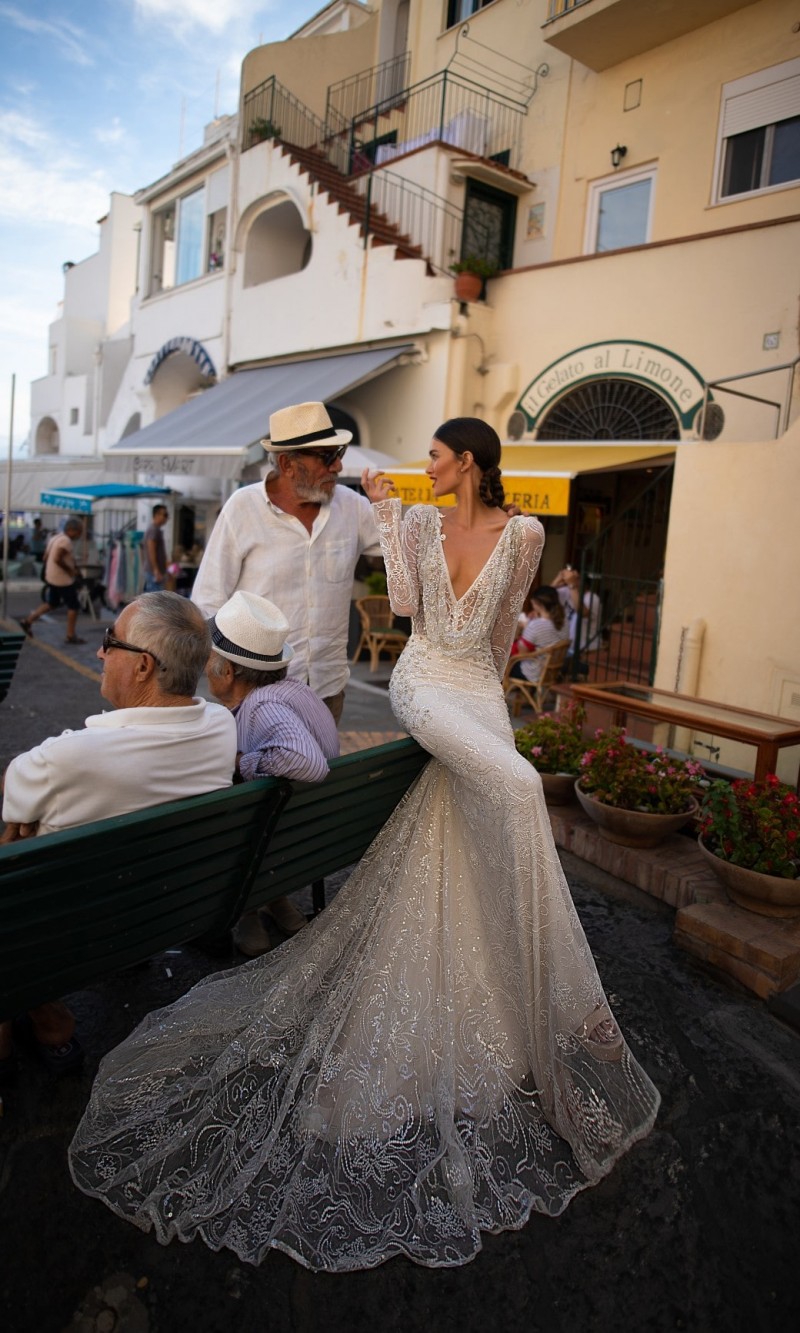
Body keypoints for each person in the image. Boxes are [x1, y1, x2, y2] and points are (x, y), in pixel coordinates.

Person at [69, 418, 659, 1273]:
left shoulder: (508, 530)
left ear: (468, 463)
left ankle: (518, 990)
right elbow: (407, 609)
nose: (349, 468)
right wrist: (395, 520)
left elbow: (495, 636)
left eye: (433, 456)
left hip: (426, 692)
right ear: (287, 461)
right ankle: (566, 1000)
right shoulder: (341, 515)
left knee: (472, 805)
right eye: (323, 457)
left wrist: (492, 710)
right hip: (359, 686)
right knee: (519, 790)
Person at [1, 591, 237, 1083]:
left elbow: (14, 791)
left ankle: (42, 1010)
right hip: (158, 915)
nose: (99, 653)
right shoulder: (220, 726)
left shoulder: (68, 759)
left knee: (14, 840)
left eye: (110, 642)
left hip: (59, 930)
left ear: (144, 667)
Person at [191, 401, 382, 724]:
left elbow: (403, 556)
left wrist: (386, 510)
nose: (337, 468)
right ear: (287, 464)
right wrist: (224, 678)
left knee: (316, 772)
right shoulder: (243, 508)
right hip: (253, 693)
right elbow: (208, 599)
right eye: (328, 457)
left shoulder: (353, 507)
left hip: (325, 689)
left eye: (339, 455)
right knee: (249, 775)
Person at [205, 589, 340, 952]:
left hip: (275, 841)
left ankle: (249, 908)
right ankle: (276, 900)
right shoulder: (293, 690)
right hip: (309, 835)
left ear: (228, 671)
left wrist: (241, 763)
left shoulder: (262, 706)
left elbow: (307, 763)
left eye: (208, 658)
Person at [17, 517, 86, 645]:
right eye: (79, 532)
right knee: (74, 605)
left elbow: (46, 557)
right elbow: (57, 558)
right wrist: (70, 570)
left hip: (51, 576)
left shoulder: (55, 538)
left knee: (52, 603)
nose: (80, 535)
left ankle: (28, 621)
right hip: (62, 579)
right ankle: (70, 635)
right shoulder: (65, 541)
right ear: (71, 530)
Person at [509, 585, 568, 683]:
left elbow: (522, 653)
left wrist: (526, 627)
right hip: (553, 670)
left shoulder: (535, 625)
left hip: (535, 672)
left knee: (504, 662)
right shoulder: (565, 622)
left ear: (537, 604)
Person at [553, 565, 602, 668]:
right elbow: (545, 598)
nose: (573, 580)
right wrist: (558, 579)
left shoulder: (593, 598)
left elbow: (582, 612)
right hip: (567, 646)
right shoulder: (568, 590)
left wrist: (572, 585)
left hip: (583, 649)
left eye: (577, 578)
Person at [142, 503, 169, 592]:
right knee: (155, 602)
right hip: (153, 572)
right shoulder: (153, 529)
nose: (166, 518)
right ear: (157, 515)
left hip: (154, 572)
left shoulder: (155, 529)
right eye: (164, 515)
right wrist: (156, 570)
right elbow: (151, 550)